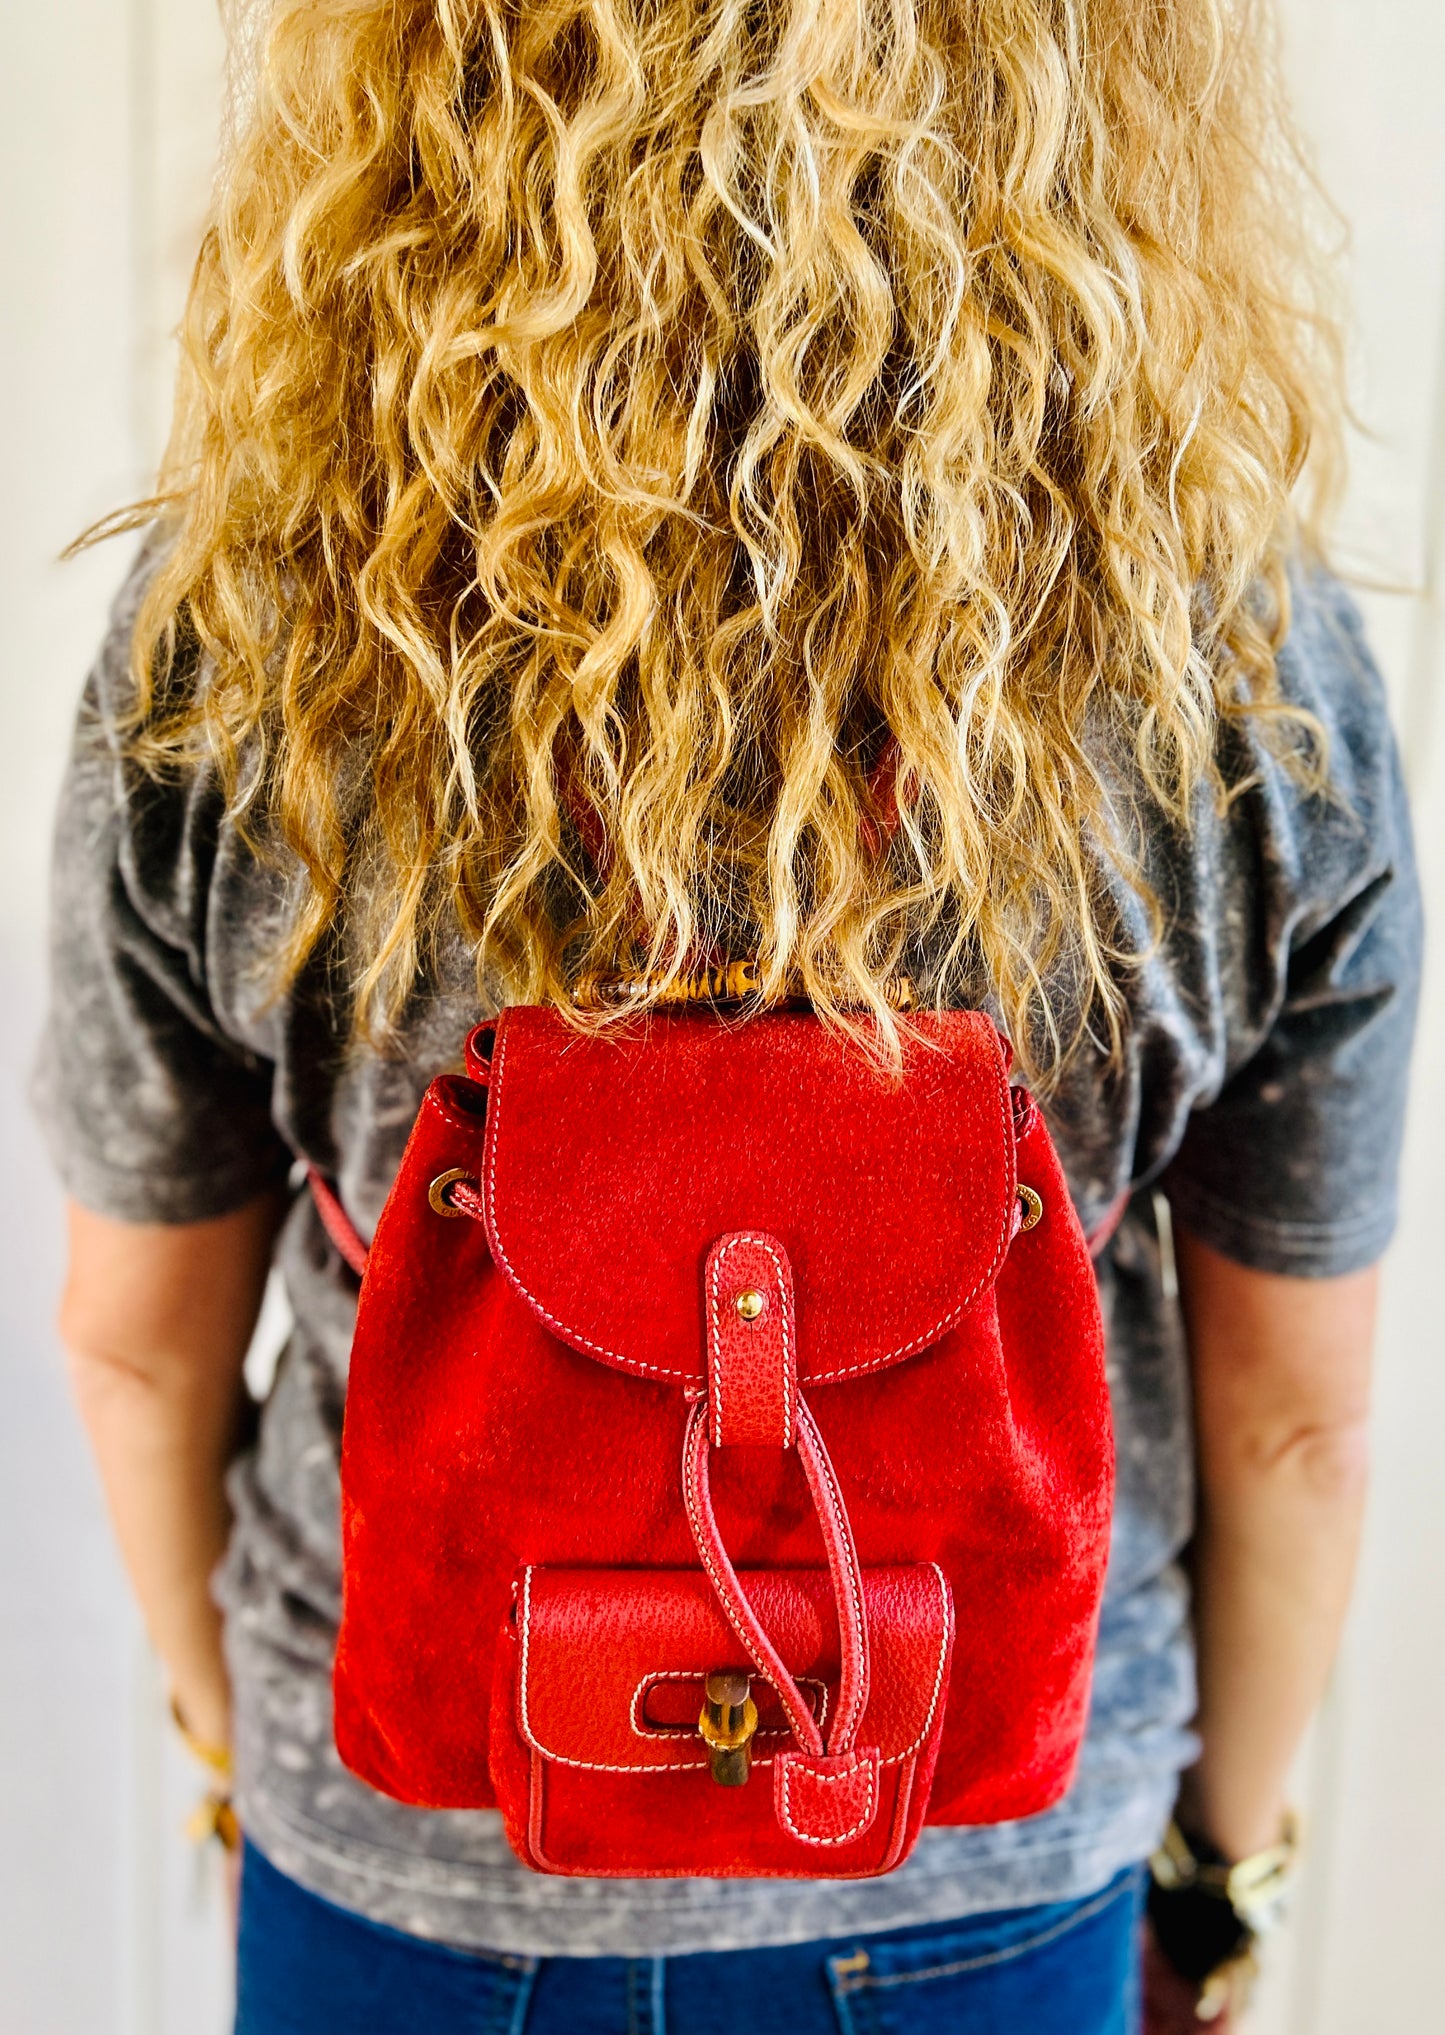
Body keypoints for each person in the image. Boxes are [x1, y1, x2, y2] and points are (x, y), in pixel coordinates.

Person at [39, 1, 1420, 2030]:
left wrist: (238, 1743)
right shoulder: (1242, 665)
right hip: (988, 1874)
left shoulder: (238, 626)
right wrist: (1223, 1861)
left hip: (411, 1865)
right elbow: (1295, 1420)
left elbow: (140, 1352)